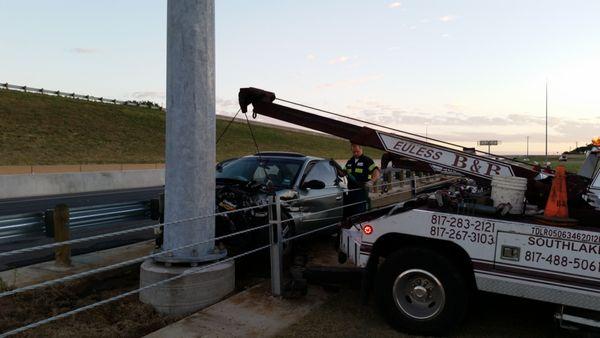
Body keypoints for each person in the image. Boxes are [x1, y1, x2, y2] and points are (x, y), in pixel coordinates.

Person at [343, 143, 380, 218]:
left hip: (362, 189)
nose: (356, 153)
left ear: (361, 149)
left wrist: (372, 181)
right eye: (354, 152)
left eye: (357, 151)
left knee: (360, 210)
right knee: (351, 209)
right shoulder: (350, 161)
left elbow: (376, 171)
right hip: (351, 190)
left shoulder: (367, 160)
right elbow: (343, 172)